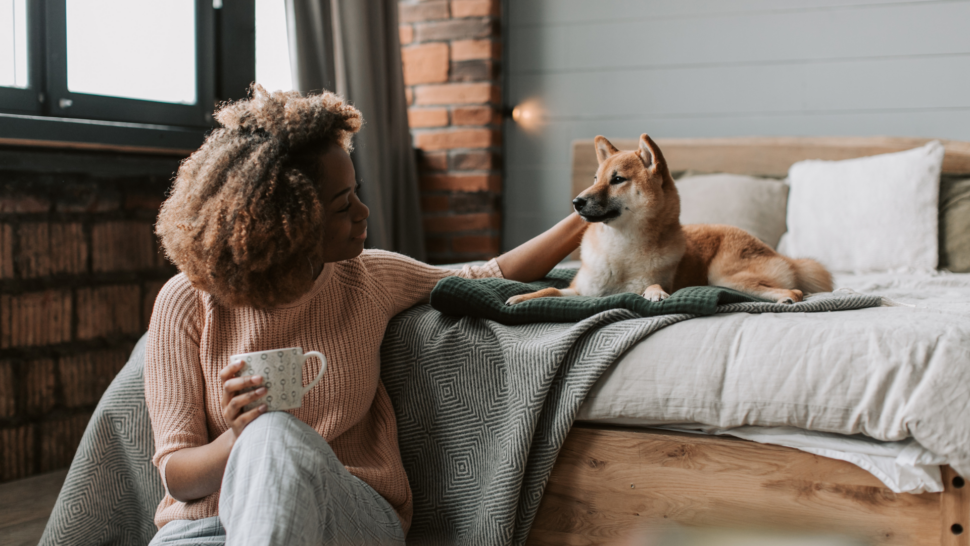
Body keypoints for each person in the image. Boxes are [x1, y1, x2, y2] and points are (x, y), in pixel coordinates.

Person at [144, 85, 586, 545]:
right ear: (287, 222)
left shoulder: (368, 278)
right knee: (264, 436)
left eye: (355, 193)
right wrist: (238, 438)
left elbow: (486, 275)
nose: (363, 212)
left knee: (275, 434)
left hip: (348, 517)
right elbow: (179, 477)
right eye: (342, 205)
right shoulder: (187, 302)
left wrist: (589, 215)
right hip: (204, 529)